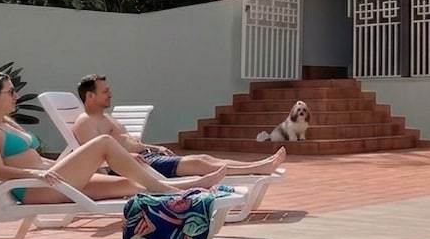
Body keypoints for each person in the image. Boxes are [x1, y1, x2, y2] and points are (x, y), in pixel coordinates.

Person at [0, 71, 225, 205]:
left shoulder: (7, 125)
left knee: (129, 184)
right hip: (35, 189)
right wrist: (37, 174)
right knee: (103, 143)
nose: (16, 96)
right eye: (11, 92)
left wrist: (56, 167)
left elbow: (35, 160)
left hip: (51, 178)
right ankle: (170, 188)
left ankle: (189, 186)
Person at [72, 74, 286, 178]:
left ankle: (256, 165)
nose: (111, 94)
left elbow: (126, 142)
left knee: (204, 158)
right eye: (105, 91)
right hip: (132, 167)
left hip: (146, 157)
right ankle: (257, 170)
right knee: (197, 164)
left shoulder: (108, 118)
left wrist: (154, 148)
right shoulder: (85, 122)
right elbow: (97, 157)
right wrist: (129, 159)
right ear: (90, 96)